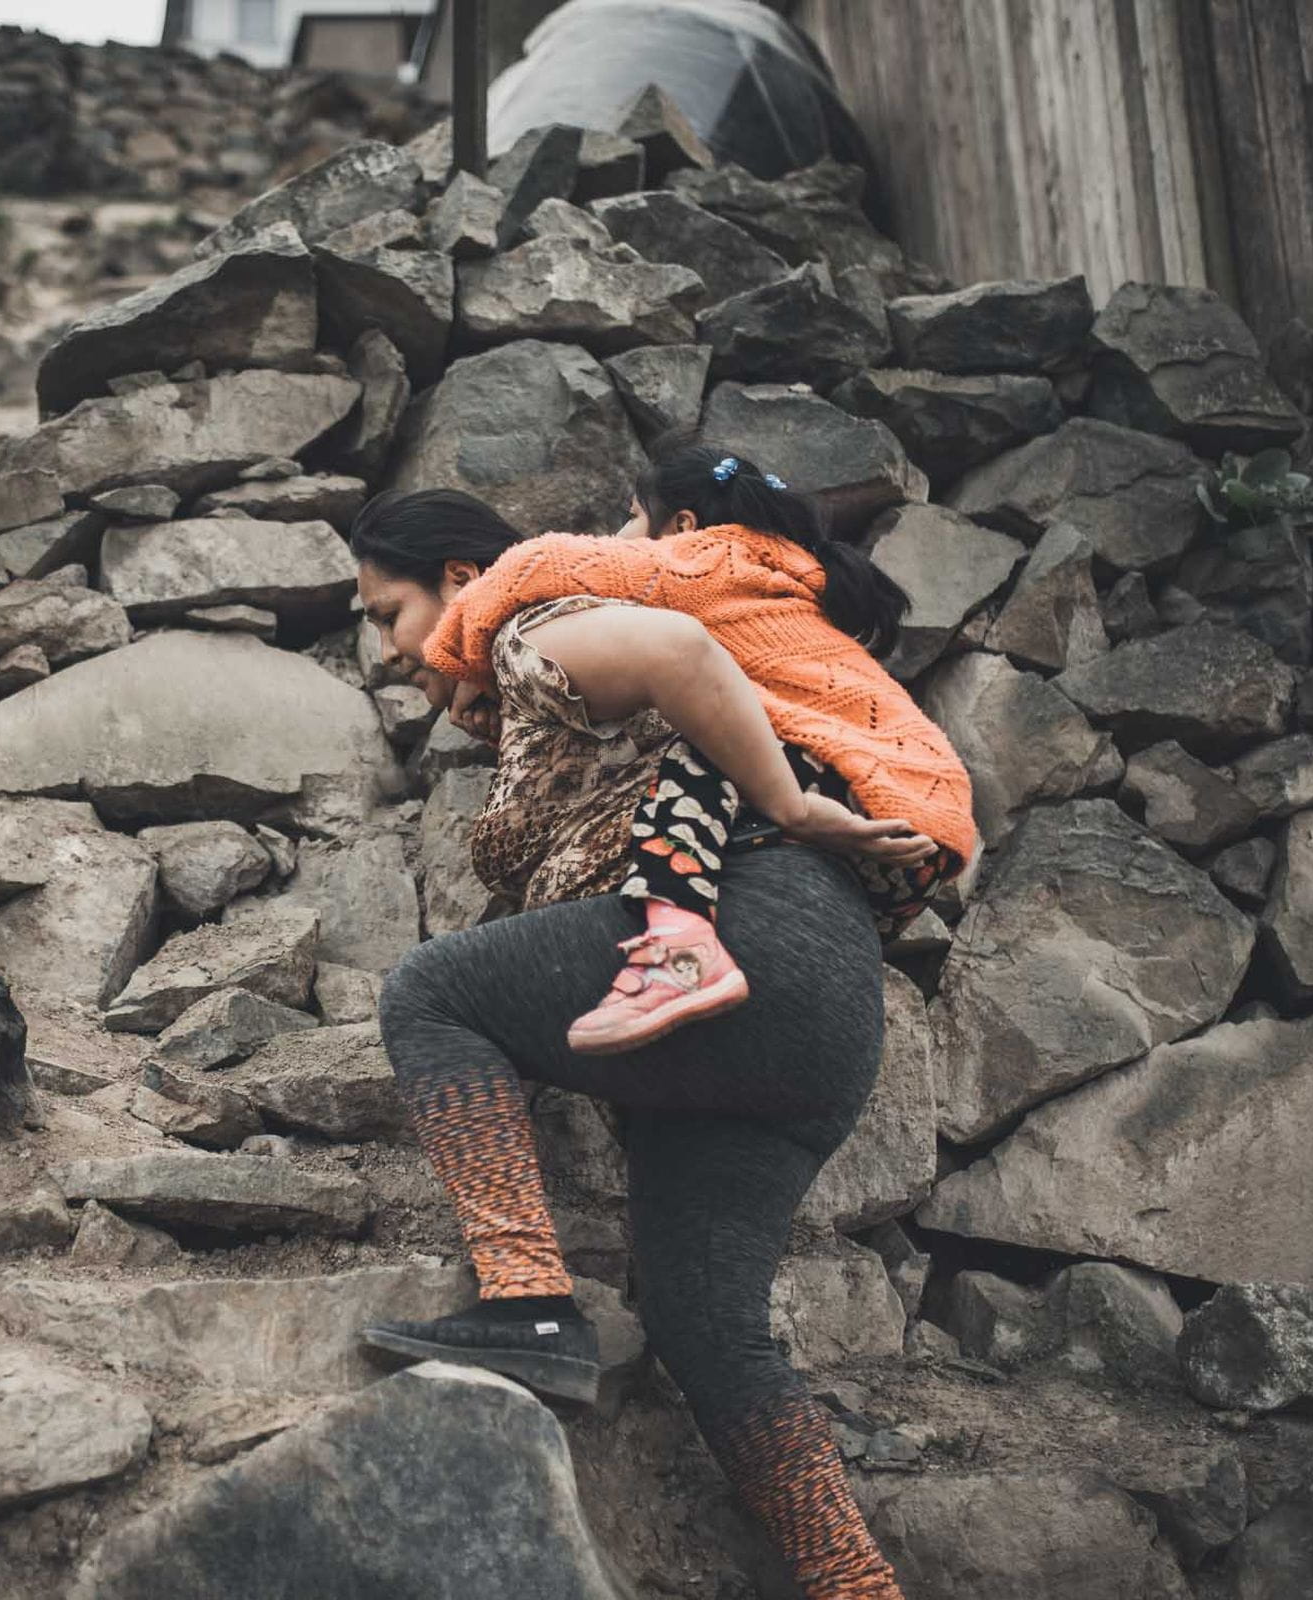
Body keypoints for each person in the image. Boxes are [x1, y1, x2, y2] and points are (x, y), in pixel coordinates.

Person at [348, 486, 924, 1600]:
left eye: (385, 612)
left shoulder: (524, 627)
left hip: (747, 927)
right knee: (702, 1328)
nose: (381, 648)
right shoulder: (528, 689)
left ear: (462, 582)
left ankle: (526, 1300)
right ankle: (857, 1584)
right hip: (813, 1023)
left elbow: (677, 643)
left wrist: (788, 808)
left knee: (428, 993)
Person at [420, 438, 977, 1054]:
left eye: (632, 516)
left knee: (709, 747)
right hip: (919, 845)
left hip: (852, 777)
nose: (620, 534)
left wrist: (462, 658)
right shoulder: (786, 580)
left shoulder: (708, 561)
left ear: (681, 524)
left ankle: (680, 947)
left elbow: (539, 564)